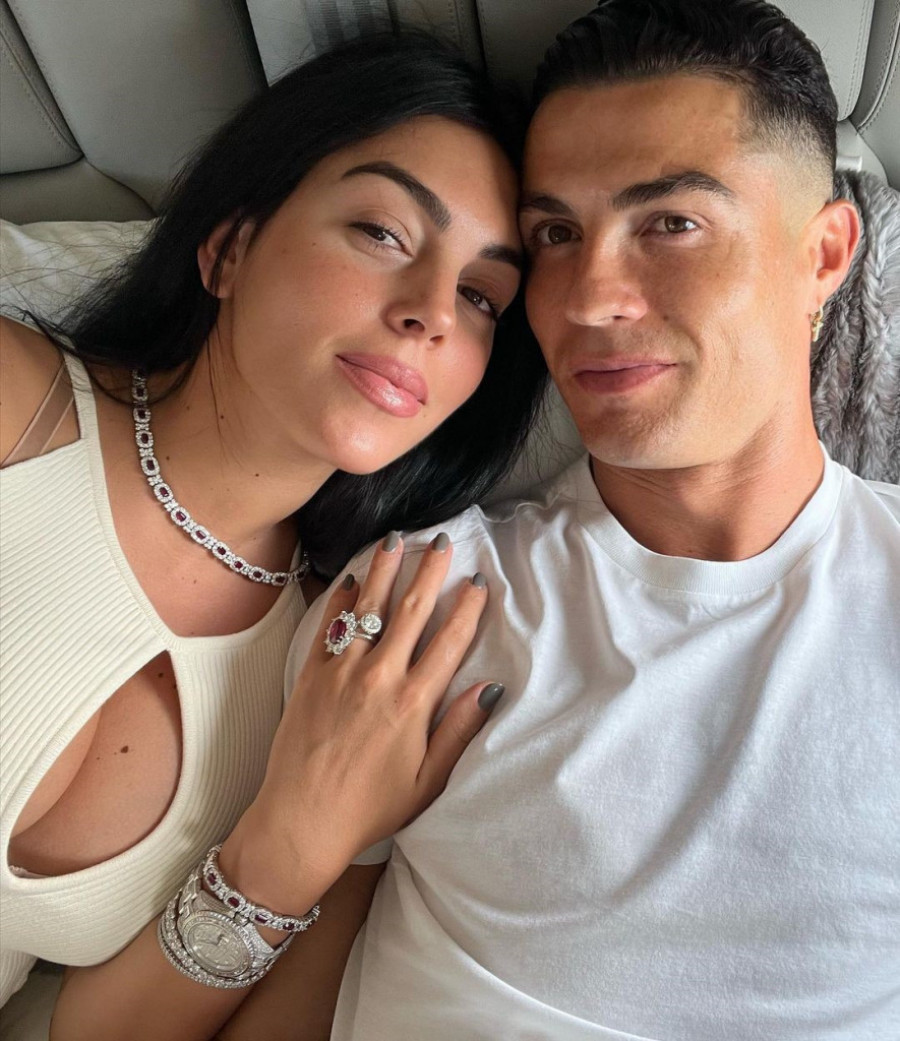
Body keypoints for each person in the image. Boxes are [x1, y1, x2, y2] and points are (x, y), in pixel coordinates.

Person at [244, 1, 897, 1038]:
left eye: (670, 223)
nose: (589, 298)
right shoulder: (416, 609)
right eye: (555, 235)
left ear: (823, 254)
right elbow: (297, 990)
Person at [0, 31, 548, 1040]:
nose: (432, 313)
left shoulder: (338, 670)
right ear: (229, 247)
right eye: (383, 232)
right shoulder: (13, 408)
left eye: (481, 297)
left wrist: (294, 844)